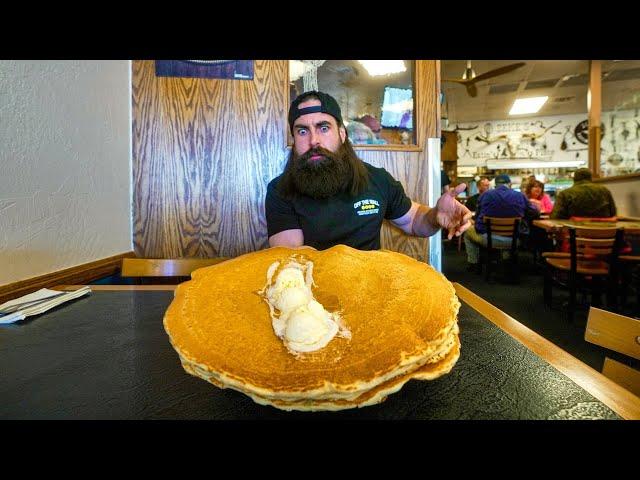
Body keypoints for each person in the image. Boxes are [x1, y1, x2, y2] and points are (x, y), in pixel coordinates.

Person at [265, 91, 472, 251]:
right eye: (302, 131)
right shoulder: (280, 190)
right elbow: (292, 261)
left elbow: (413, 220)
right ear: (294, 138)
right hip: (311, 300)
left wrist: (436, 215)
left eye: (323, 128)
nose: (314, 140)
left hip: (371, 293)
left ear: (342, 134)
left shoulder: (377, 179)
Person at [463, 174, 539, 269]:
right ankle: (506, 261)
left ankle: (473, 263)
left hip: (488, 240)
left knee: (467, 232)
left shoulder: (485, 195)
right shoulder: (520, 196)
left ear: (495, 184)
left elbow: (478, 218)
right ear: (510, 184)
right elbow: (534, 212)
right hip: (515, 240)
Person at [550, 168, 617, 219]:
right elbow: (613, 214)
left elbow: (555, 217)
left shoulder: (565, 194)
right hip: (605, 234)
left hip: (574, 235)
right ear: (591, 178)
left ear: (574, 179)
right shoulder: (605, 191)